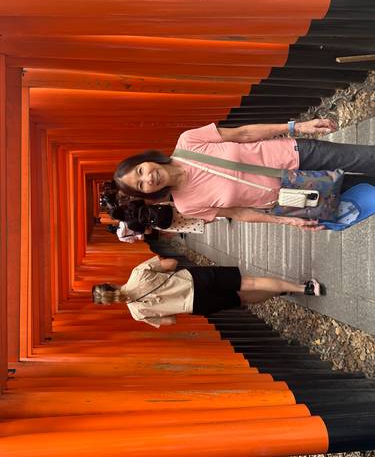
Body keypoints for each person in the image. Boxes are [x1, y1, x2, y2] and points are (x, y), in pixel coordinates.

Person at [114, 119, 375, 230]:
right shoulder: (186, 205)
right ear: (146, 194)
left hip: (294, 156)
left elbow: (244, 134)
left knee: (365, 158)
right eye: (140, 185)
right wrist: (286, 222)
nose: (147, 178)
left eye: (140, 170)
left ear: (146, 160)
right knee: (364, 190)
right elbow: (238, 213)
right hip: (295, 196)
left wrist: (296, 126)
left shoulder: (189, 142)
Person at [92, 256, 322, 328]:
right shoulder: (137, 274)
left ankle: (277, 293)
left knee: (243, 298)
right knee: (249, 282)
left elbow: (170, 321)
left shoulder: (137, 313)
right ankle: (304, 288)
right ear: (110, 285)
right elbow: (170, 263)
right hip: (196, 279)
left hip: (196, 304)